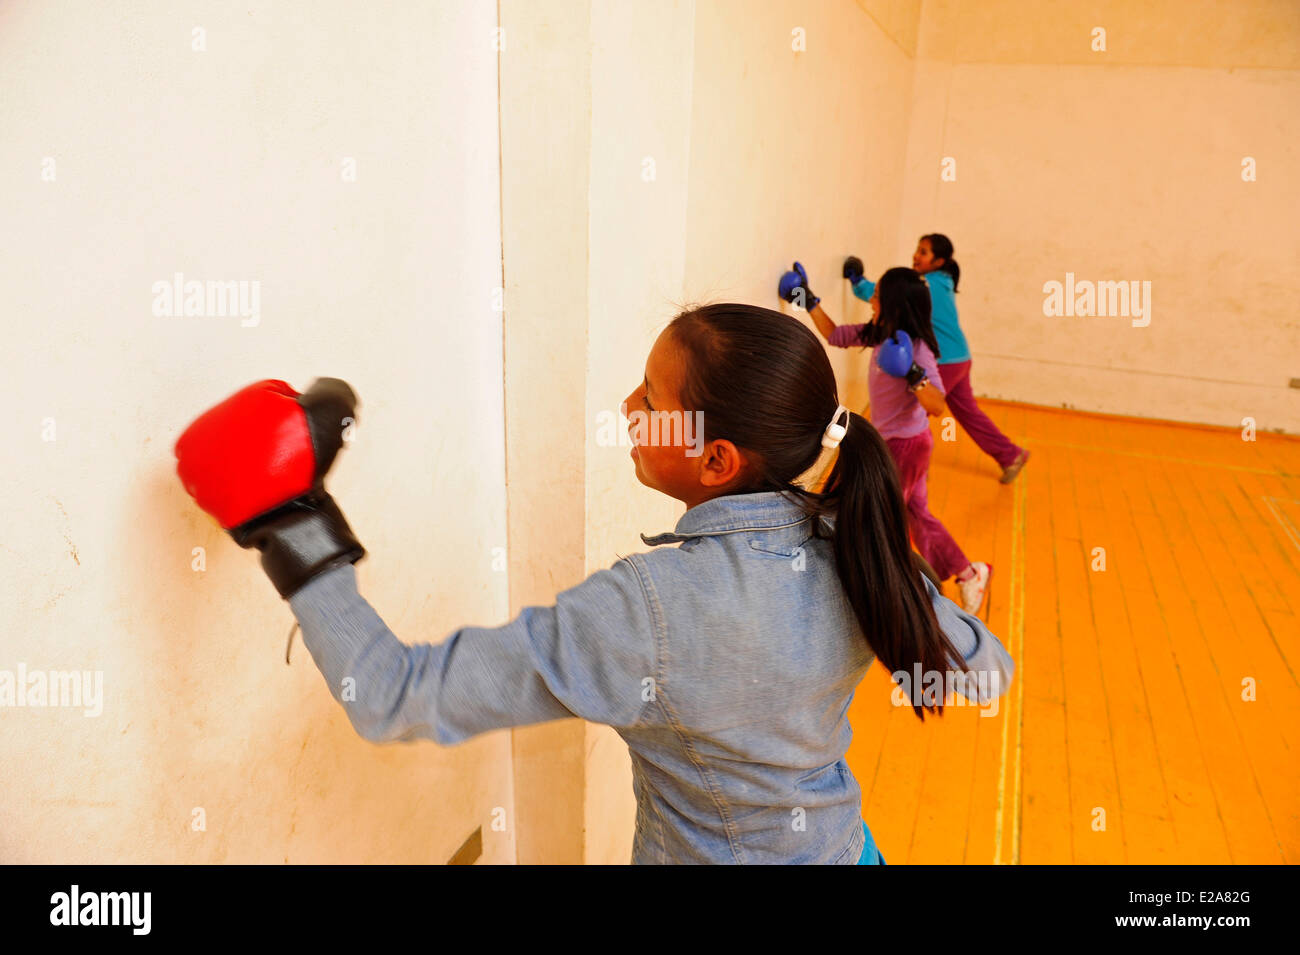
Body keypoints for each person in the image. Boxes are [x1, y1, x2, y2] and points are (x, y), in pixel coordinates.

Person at [172, 305, 1013, 865]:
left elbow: (390, 694)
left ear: (717, 460)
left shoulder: (648, 610)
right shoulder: (852, 545)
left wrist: (293, 529)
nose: (626, 405)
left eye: (651, 397)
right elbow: (987, 671)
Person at [781, 262, 992, 614]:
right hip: (893, 443)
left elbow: (938, 405)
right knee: (916, 513)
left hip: (906, 447)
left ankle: (886, 593)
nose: (872, 299)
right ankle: (970, 573)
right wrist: (806, 297)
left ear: (894, 304)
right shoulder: (880, 333)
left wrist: (912, 372)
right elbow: (835, 335)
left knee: (878, 516)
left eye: (877, 295)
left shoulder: (919, 348)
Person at [844, 236, 1029, 483]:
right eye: (917, 250)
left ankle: (914, 469)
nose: (916, 256)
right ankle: (1011, 455)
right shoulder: (943, 282)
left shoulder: (926, 284)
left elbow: (888, 295)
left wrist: (858, 283)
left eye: (923, 252)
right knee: (967, 413)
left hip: (946, 361)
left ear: (939, 261)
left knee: (912, 414)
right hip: (960, 357)